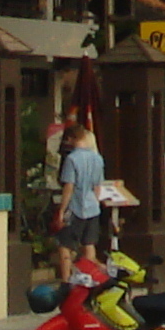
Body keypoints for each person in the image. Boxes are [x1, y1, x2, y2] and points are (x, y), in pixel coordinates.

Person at [53, 116, 107, 277]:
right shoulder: (97, 159)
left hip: (75, 208)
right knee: (89, 245)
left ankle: (66, 282)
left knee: (65, 246)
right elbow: (98, 186)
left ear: (70, 139)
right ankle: (90, 279)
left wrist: (62, 210)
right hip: (92, 207)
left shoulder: (72, 159)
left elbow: (69, 186)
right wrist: (95, 202)